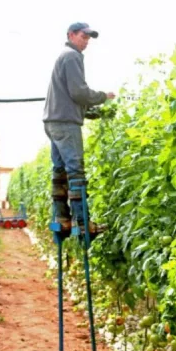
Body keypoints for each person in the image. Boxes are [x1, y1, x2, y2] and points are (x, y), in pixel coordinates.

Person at [42, 22, 114, 235]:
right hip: (65, 124)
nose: (86, 41)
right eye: (84, 36)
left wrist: (89, 112)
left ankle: (63, 219)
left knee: (60, 172)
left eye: (88, 38)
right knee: (75, 172)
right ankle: (83, 224)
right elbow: (79, 93)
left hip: (53, 122)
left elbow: (69, 97)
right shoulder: (72, 56)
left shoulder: (64, 56)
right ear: (71, 35)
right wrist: (103, 97)